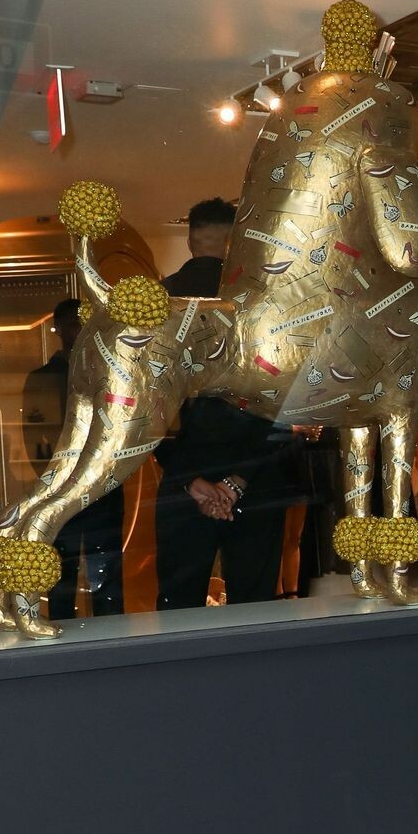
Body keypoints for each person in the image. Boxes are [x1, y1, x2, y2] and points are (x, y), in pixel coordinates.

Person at [153, 198, 300, 611]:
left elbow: (144, 408)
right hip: (258, 476)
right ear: (235, 242)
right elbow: (282, 404)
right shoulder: (263, 302)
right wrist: (237, 481)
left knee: (179, 609)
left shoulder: (157, 303)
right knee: (254, 607)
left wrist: (190, 480)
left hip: (184, 478)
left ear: (190, 240)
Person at [22, 297, 125, 618]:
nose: (79, 330)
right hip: (64, 488)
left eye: (83, 323)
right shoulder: (44, 378)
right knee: (62, 579)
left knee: (106, 579)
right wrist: (54, 481)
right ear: (58, 329)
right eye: (72, 324)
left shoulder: (108, 371)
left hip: (103, 486)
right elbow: (35, 439)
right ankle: (66, 636)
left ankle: (111, 639)